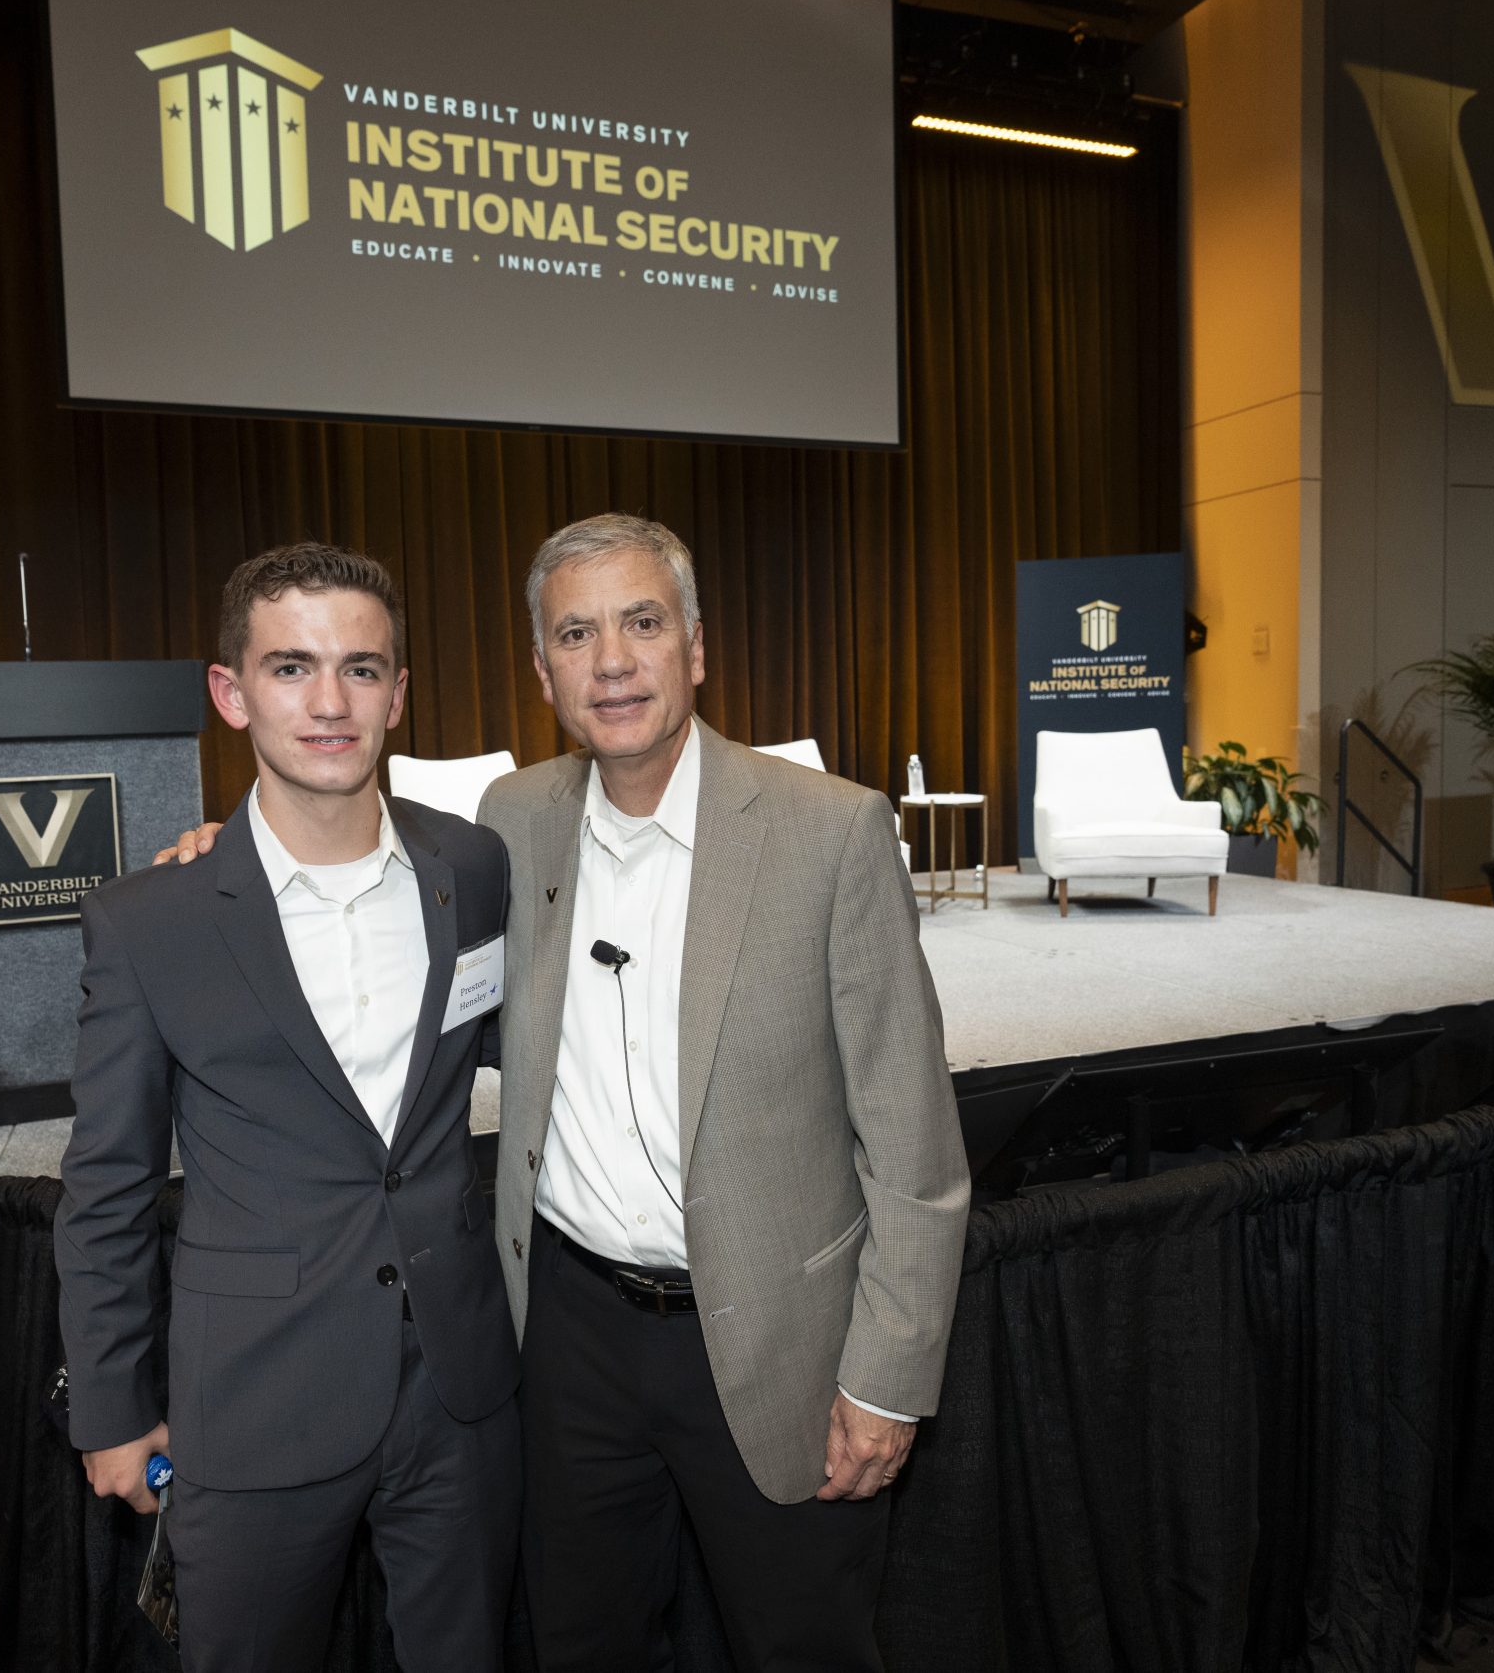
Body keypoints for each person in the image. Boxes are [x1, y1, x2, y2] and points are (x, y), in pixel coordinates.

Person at [160, 514, 969, 1669]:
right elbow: (370, 903)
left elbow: (915, 1149)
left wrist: (887, 1381)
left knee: (804, 1646)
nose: (614, 662)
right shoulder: (511, 824)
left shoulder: (830, 832)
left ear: (696, 647)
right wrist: (228, 857)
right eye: (576, 635)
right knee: (581, 1642)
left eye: (642, 623)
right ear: (542, 674)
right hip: (567, 1339)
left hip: (774, 1341)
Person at [54, 543, 519, 1672]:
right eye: (291, 667)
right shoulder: (151, 919)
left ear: (398, 695)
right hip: (256, 1398)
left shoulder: (474, 868)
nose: (328, 703)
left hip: (459, 1390)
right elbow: (108, 1184)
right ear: (232, 693)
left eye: (361, 669)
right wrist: (110, 1407)